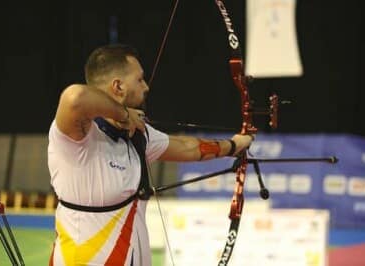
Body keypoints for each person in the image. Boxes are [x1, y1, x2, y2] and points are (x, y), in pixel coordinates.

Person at [47, 44, 253, 266]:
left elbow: (187, 147)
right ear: (118, 86)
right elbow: (74, 98)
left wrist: (234, 145)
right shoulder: (78, 135)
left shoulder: (137, 135)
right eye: (139, 79)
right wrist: (123, 114)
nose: (146, 86)